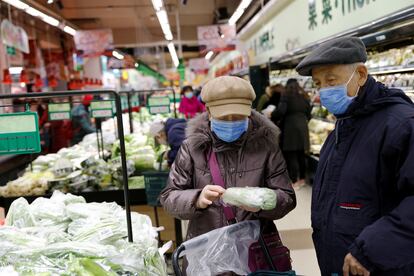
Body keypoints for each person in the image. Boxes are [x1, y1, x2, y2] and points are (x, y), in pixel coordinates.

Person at [295, 36, 414, 276]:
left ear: (360, 74)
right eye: (319, 83)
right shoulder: (344, 125)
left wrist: (373, 248)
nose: (324, 91)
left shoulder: (400, 125)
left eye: (331, 80)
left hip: (381, 265)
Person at [160, 76, 296, 272]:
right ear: (208, 112)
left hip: (254, 252)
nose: (231, 122)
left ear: (249, 112)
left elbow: (287, 198)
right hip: (206, 251)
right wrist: (197, 198)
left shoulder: (266, 146)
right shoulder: (192, 148)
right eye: (224, 118)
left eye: (239, 117)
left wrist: (264, 201)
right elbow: (169, 196)